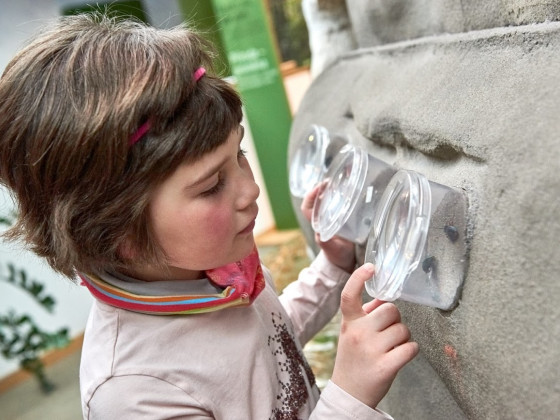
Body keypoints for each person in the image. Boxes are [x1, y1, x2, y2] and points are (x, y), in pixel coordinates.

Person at [0, 13, 418, 419]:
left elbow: (270, 344)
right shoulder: (134, 392)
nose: (250, 189)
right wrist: (348, 396)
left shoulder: (212, 266)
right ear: (114, 230)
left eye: (240, 153)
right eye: (212, 185)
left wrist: (331, 266)